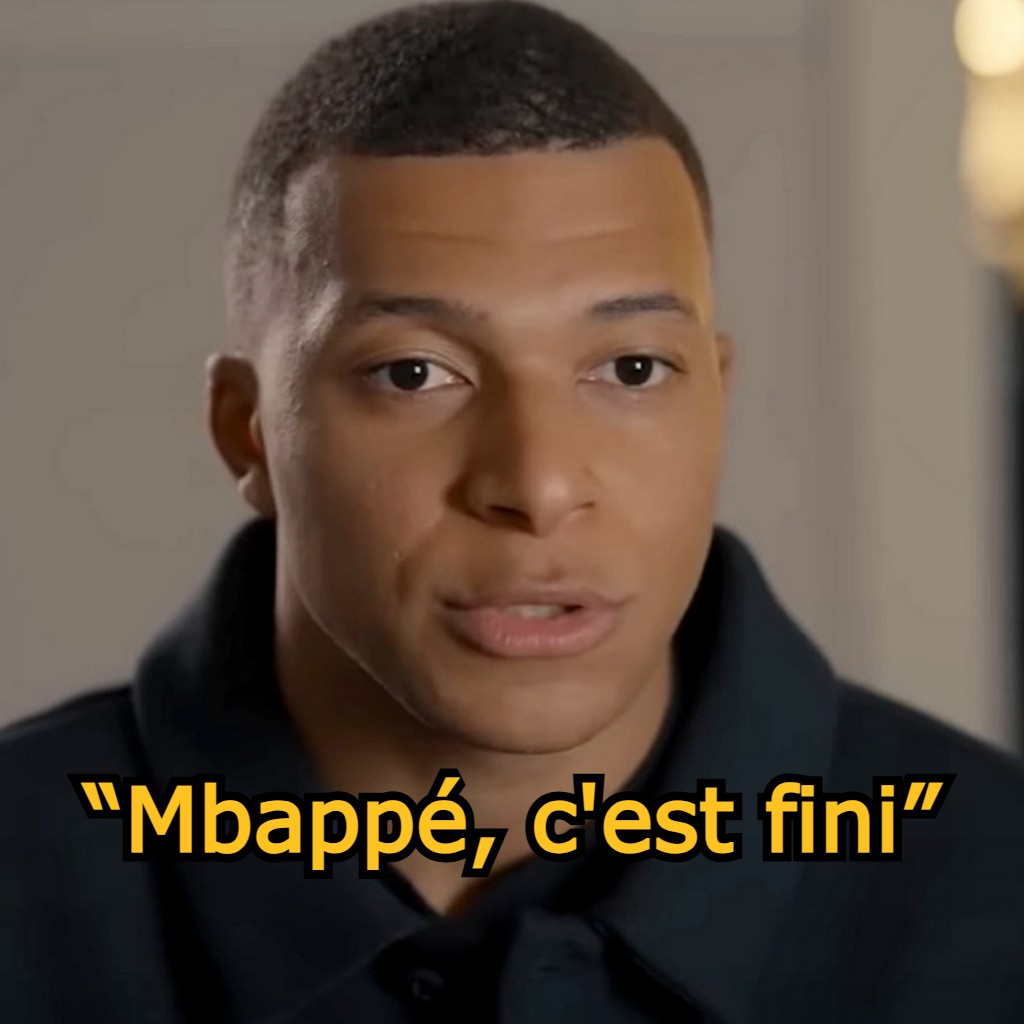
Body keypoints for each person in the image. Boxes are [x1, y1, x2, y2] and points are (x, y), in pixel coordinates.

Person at [2, 2, 1023, 1022]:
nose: (538, 488)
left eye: (632, 369)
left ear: (717, 394)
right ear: (249, 431)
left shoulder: (993, 888)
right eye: (413, 373)